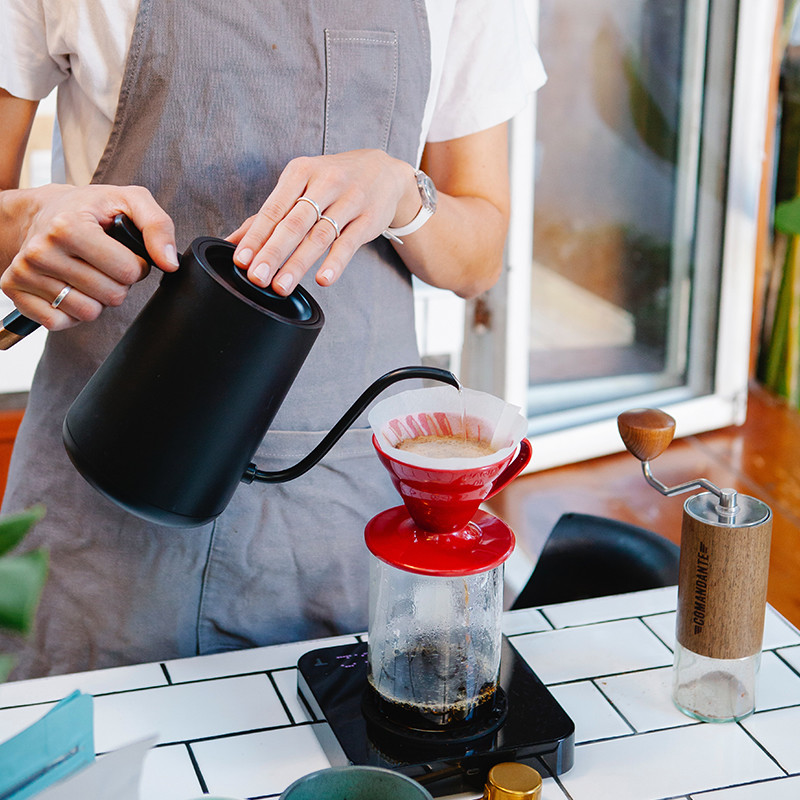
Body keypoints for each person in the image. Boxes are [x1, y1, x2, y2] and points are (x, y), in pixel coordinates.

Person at [0, 0, 545, 679]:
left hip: (335, 499)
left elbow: (478, 259)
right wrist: (28, 218)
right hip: (101, 485)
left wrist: (403, 193)